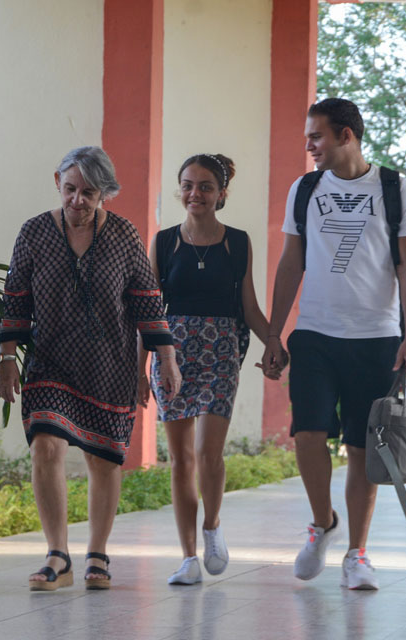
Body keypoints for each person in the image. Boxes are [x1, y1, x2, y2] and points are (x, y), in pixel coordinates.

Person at [0, 146, 181, 591]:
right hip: (51, 360)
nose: (78, 200)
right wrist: (6, 357)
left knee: (103, 459)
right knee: (46, 446)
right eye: (71, 189)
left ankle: (97, 552)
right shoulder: (36, 232)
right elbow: (16, 296)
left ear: (105, 195)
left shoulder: (122, 235)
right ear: (57, 181)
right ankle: (57, 555)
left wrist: (165, 357)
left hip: (109, 363)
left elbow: (146, 300)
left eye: (89, 193)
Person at [261, 98, 406, 590]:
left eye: (317, 137)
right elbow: (292, 262)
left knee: (362, 449)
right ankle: (323, 522)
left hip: (376, 337)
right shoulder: (305, 188)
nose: (309, 146)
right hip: (314, 331)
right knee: (308, 434)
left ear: (346, 136)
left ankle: (357, 554)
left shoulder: (395, 188)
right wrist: (273, 331)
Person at [145, 153, 275, 585]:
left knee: (208, 454)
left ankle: (212, 526)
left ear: (221, 194)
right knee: (180, 460)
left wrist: (274, 340)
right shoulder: (163, 242)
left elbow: (249, 307)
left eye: (204, 186)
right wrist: (137, 367)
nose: (194, 193)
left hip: (221, 352)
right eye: (187, 185)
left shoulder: (237, 242)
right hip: (172, 356)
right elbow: (147, 310)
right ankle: (187, 558)